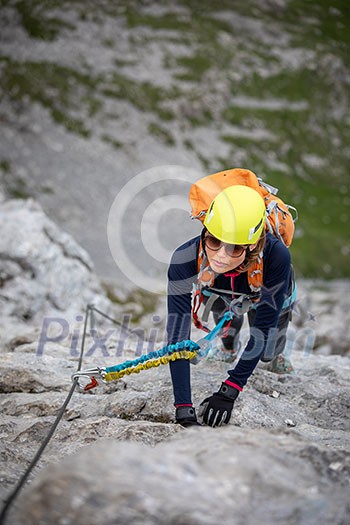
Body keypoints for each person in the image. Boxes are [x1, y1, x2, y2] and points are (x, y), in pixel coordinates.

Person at [167, 183, 295, 428]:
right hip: (219, 291)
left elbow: (264, 326)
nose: (221, 255)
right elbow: (177, 336)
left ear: (253, 245)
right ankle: (228, 348)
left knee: (267, 352)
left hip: (262, 287)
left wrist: (230, 389)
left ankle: (276, 353)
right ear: (205, 231)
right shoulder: (184, 258)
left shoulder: (277, 256)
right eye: (214, 241)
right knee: (220, 309)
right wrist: (183, 408)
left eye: (235, 247)